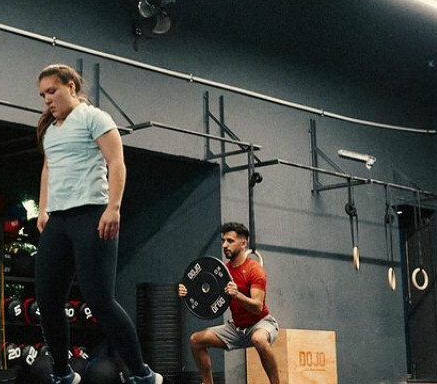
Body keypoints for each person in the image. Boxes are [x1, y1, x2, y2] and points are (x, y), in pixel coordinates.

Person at [35, 64, 163, 384]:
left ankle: (142, 375)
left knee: (100, 301)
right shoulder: (51, 130)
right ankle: (63, 375)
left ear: (71, 87)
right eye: (43, 94)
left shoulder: (94, 118)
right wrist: (43, 209)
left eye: (52, 91)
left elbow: (116, 162)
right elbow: (49, 169)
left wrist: (113, 208)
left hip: (92, 216)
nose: (47, 99)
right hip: (58, 221)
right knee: (48, 301)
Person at [178, 223, 280, 384]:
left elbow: (257, 307)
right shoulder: (222, 271)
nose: (225, 245)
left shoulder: (255, 270)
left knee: (259, 339)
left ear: (243, 243)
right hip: (237, 328)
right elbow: (206, 295)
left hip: (260, 323)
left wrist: (237, 295)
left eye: (230, 241)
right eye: (223, 241)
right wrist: (187, 292)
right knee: (196, 340)